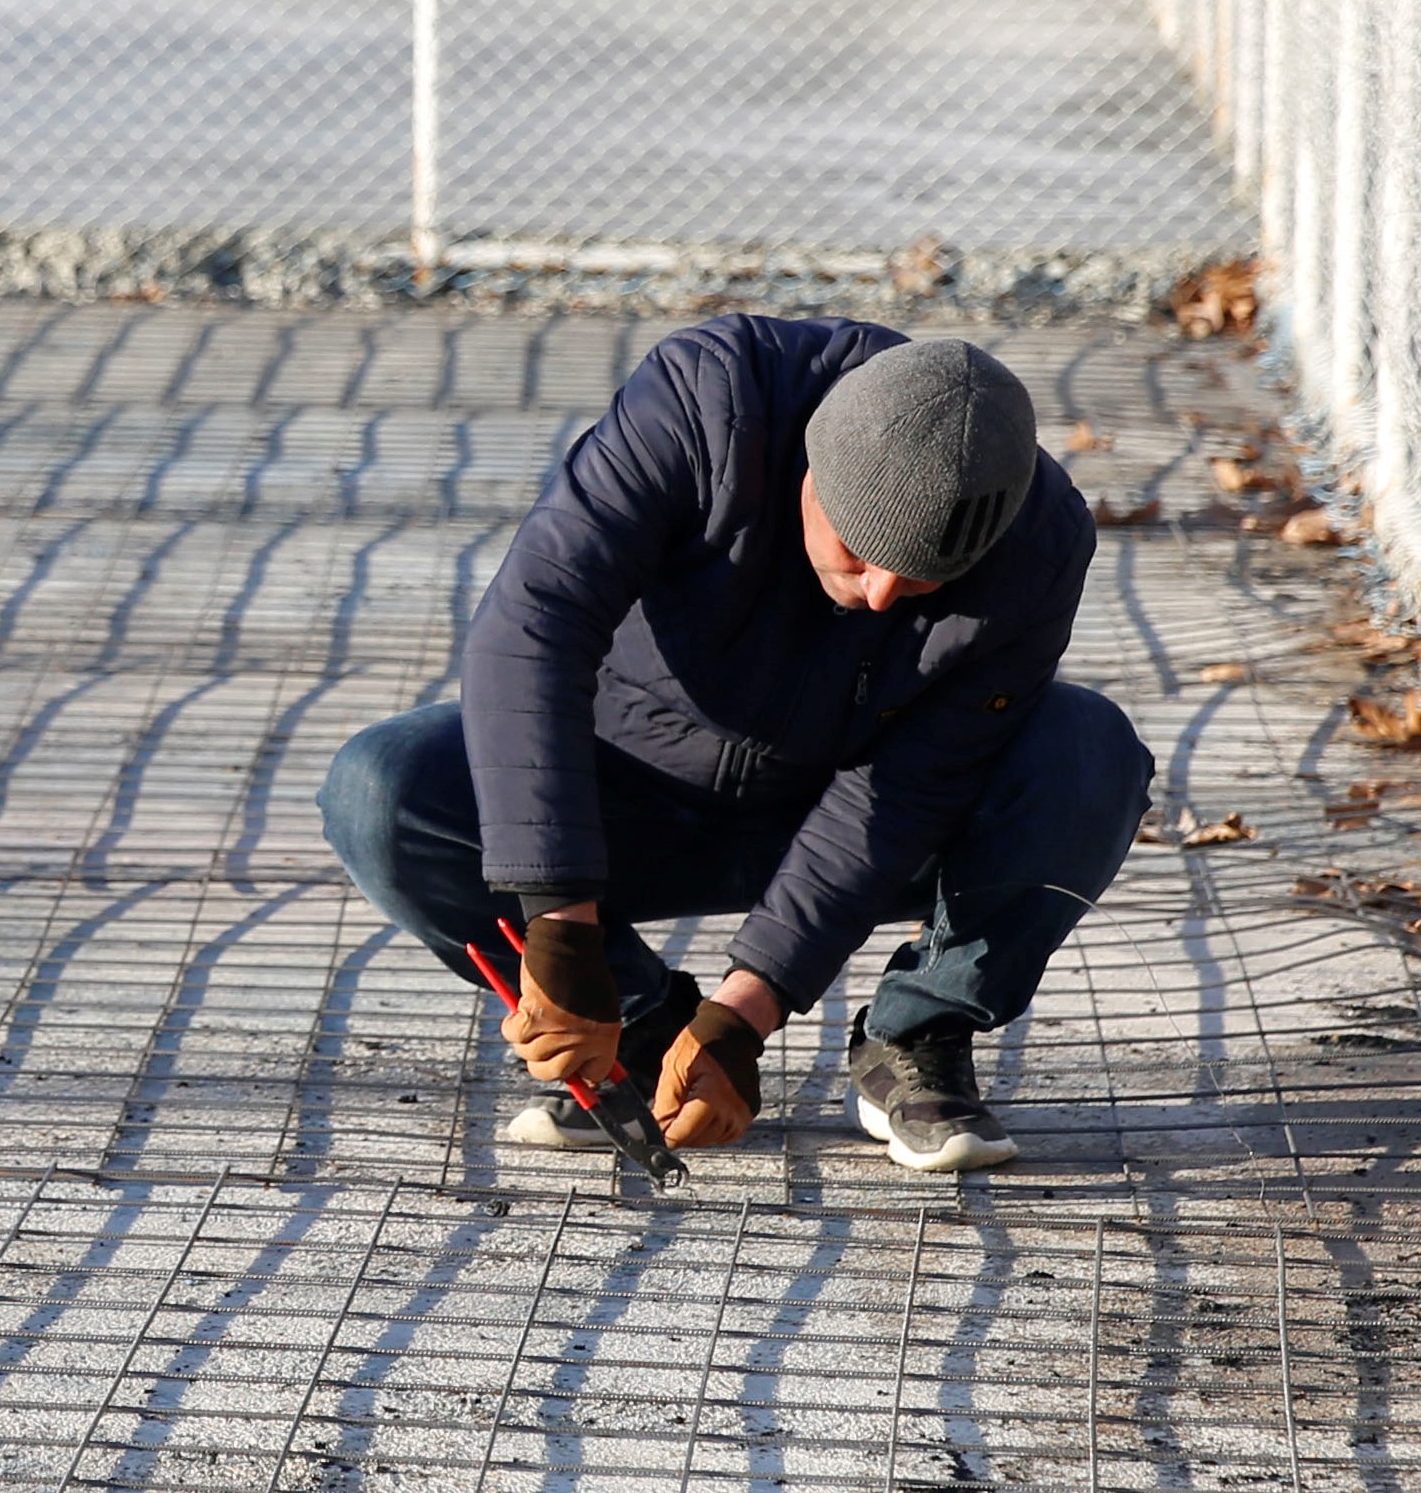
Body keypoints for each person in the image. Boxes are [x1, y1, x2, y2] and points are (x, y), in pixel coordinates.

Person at [317, 316, 1151, 1173]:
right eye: (858, 554)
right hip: (628, 789)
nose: (877, 596)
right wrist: (558, 925)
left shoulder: (1040, 545)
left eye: (920, 582)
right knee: (380, 791)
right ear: (809, 476)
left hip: (847, 807)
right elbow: (533, 632)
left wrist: (744, 1016)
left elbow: (906, 790)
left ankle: (916, 1034)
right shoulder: (705, 401)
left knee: (1085, 753)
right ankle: (641, 1029)